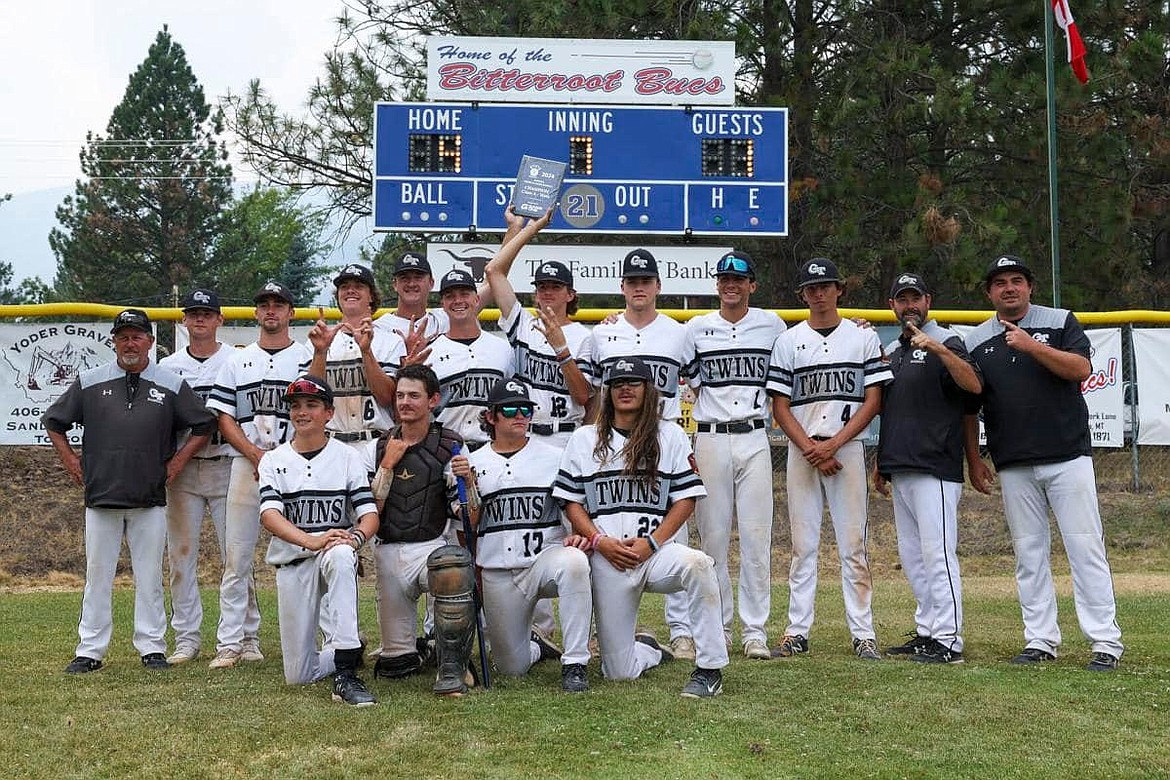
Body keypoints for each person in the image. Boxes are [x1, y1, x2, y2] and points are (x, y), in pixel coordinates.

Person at [964, 255, 1123, 671]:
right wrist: (974, 458)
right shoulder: (978, 338)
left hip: (1066, 455)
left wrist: (1033, 345)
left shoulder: (1059, 320)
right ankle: (1040, 639)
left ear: (1030, 287)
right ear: (989, 293)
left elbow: (1081, 368)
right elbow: (971, 402)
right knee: (1028, 554)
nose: (1009, 288)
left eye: (1017, 281)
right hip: (1013, 461)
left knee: (1085, 546)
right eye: (1000, 283)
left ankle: (1105, 641)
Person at [43, 308, 216, 673]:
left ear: (151, 342)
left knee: (150, 576)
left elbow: (204, 424)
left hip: (149, 497)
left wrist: (179, 462)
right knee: (97, 576)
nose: (130, 342)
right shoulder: (90, 381)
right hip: (101, 496)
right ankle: (90, 650)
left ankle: (152, 647)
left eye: (137, 336)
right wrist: (72, 462)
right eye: (123, 336)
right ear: (114, 341)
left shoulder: (170, 383)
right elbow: (54, 422)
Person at [554, 357, 728, 698]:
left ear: (649, 391)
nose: (625, 389)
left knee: (699, 564)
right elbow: (571, 502)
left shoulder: (671, 435)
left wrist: (653, 542)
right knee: (619, 673)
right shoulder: (584, 438)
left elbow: (686, 499)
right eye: (617, 384)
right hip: (608, 556)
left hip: (655, 551)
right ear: (607, 392)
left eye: (633, 383)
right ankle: (649, 648)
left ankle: (710, 669)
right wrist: (598, 541)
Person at [767, 258, 893, 661]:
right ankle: (796, 630)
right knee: (803, 546)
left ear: (839, 290)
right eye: (811, 287)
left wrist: (833, 444)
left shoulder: (861, 338)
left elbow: (873, 401)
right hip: (804, 450)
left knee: (853, 543)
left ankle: (863, 632)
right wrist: (811, 448)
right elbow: (780, 406)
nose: (819, 293)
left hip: (846, 449)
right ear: (802, 294)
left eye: (826, 286)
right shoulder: (789, 340)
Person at [582, 249, 695, 660]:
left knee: (672, 533)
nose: (639, 287)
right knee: (608, 528)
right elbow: (592, 395)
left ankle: (682, 631)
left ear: (659, 286)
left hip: (664, 439)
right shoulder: (602, 333)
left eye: (646, 280)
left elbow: (701, 384)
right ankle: (602, 629)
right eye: (632, 281)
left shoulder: (681, 332)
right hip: (612, 441)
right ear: (622, 288)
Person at [452, 379, 593, 692]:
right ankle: (538, 646)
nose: (520, 415)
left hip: (545, 558)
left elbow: (575, 507)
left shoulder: (556, 455)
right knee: (511, 668)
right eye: (511, 409)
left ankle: (575, 663)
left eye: (526, 409)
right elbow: (469, 526)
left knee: (574, 564)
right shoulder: (472, 462)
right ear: (491, 417)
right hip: (498, 571)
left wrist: (580, 536)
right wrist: (469, 484)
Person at [682, 250, 786, 661]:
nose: (731, 285)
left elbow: (804, 344)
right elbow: (687, 377)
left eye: (738, 279)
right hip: (709, 435)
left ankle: (755, 631)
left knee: (758, 538)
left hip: (754, 434)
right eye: (724, 278)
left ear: (752, 285)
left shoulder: (772, 324)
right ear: (717, 284)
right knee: (713, 540)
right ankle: (719, 627)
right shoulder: (696, 328)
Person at [873, 273, 982, 664]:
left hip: (935, 466)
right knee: (915, 557)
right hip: (901, 465)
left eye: (915, 298)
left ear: (928, 301)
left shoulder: (949, 340)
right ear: (892, 306)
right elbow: (892, 412)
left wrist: (939, 350)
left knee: (938, 555)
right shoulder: (894, 351)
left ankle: (949, 639)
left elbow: (974, 386)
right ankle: (928, 630)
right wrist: (881, 462)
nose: (909, 305)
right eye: (902, 299)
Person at [205, 281, 313, 669]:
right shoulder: (237, 359)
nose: (271, 310)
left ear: (290, 313)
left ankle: (311, 637)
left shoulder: (304, 357)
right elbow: (224, 415)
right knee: (236, 557)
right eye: (265, 304)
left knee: (304, 552)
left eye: (279, 304)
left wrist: (280, 456)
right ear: (255, 313)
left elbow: (313, 411)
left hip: (294, 463)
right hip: (245, 463)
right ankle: (234, 641)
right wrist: (252, 453)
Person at [257, 374, 380, 706]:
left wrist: (353, 540)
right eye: (296, 406)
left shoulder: (347, 456)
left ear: (328, 413)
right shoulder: (273, 460)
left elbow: (369, 515)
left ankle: (345, 673)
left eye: (312, 405)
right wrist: (311, 541)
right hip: (294, 559)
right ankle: (349, 649)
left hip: (332, 551)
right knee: (298, 674)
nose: (302, 412)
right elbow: (270, 516)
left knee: (340, 556)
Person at [159, 289, 259, 665]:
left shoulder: (236, 360)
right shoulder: (168, 365)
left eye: (207, 313)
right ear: (183, 320)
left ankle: (247, 636)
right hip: (183, 470)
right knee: (180, 557)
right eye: (193, 313)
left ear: (220, 319)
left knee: (237, 556)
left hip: (226, 463)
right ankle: (186, 637)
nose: (199, 319)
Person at [364, 364, 476, 694]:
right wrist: (387, 466)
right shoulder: (379, 447)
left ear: (433, 400)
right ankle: (424, 649)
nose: (404, 403)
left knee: (452, 568)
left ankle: (453, 665)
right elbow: (371, 514)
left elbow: (469, 519)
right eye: (399, 396)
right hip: (387, 550)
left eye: (414, 396)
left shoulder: (451, 445)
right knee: (397, 667)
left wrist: (468, 482)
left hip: (431, 546)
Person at [485, 207, 591, 449]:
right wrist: (529, 228)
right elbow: (494, 271)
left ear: (570, 294)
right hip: (524, 434)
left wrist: (562, 349)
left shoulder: (584, 337)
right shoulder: (522, 322)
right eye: (542, 287)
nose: (547, 292)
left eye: (555, 286)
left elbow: (583, 397)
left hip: (564, 434)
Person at [307, 263, 407, 446]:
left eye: (359, 286)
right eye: (344, 287)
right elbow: (309, 396)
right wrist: (320, 353)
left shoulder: (391, 341)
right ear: (338, 297)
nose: (350, 291)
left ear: (371, 296)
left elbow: (387, 398)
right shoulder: (318, 341)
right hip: (331, 442)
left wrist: (366, 352)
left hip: (375, 441)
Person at [427, 268, 516, 449]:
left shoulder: (502, 349)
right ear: (442, 304)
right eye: (450, 296)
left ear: (476, 300)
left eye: (464, 294)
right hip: (445, 448)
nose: (458, 300)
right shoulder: (430, 352)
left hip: (492, 448)